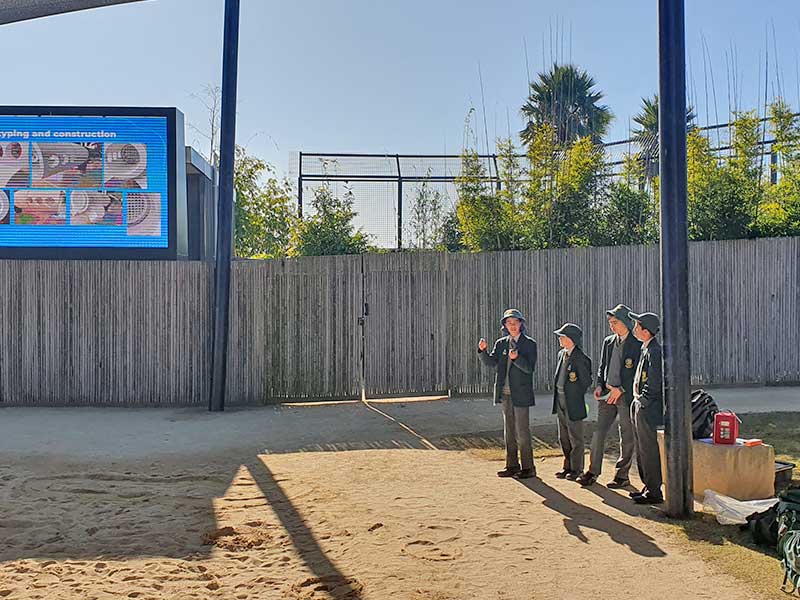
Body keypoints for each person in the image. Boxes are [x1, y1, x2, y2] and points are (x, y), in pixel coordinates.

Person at [577, 304, 643, 488]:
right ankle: (592, 472)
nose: (612, 326)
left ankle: (622, 475)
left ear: (626, 323)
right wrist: (599, 385)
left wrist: (621, 389)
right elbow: (602, 367)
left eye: (615, 322)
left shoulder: (636, 344)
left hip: (625, 396)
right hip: (606, 394)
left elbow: (637, 373)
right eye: (610, 323)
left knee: (626, 434)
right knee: (599, 432)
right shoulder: (608, 342)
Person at [478, 309, 538, 479]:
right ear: (505, 325)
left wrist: (516, 359)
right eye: (508, 323)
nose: (512, 325)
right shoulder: (501, 343)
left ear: (521, 324)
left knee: (522, 431)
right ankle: (512, 465)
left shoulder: (529, 344)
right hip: (505, 394)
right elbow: (491, 363)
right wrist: (482, 351)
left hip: (521, 394)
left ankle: (528, 467)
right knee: (509, 431)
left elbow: (529, 369)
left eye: (515, 322)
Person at [627, 312, 664, 505]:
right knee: (641, 447)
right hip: (638, 402)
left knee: (648, 448)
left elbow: (655, 380)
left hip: (646, 406)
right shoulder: (645, 348)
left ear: (646, 330)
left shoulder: (655, 351)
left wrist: (645, 400)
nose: (634, 329)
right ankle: (647, 485)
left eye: (638, 325)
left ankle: (654, 490)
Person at [551, 323, 592, 481]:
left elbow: (586, 381)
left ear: (571, 339)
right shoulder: (562, 354)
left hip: (573, 402)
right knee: (564, 437)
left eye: (562, 336)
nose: (560, 339)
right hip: (560, 400)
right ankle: (567, 466)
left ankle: (577, 469)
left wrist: (575, 393)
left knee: (576, 437)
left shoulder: (580, 358)